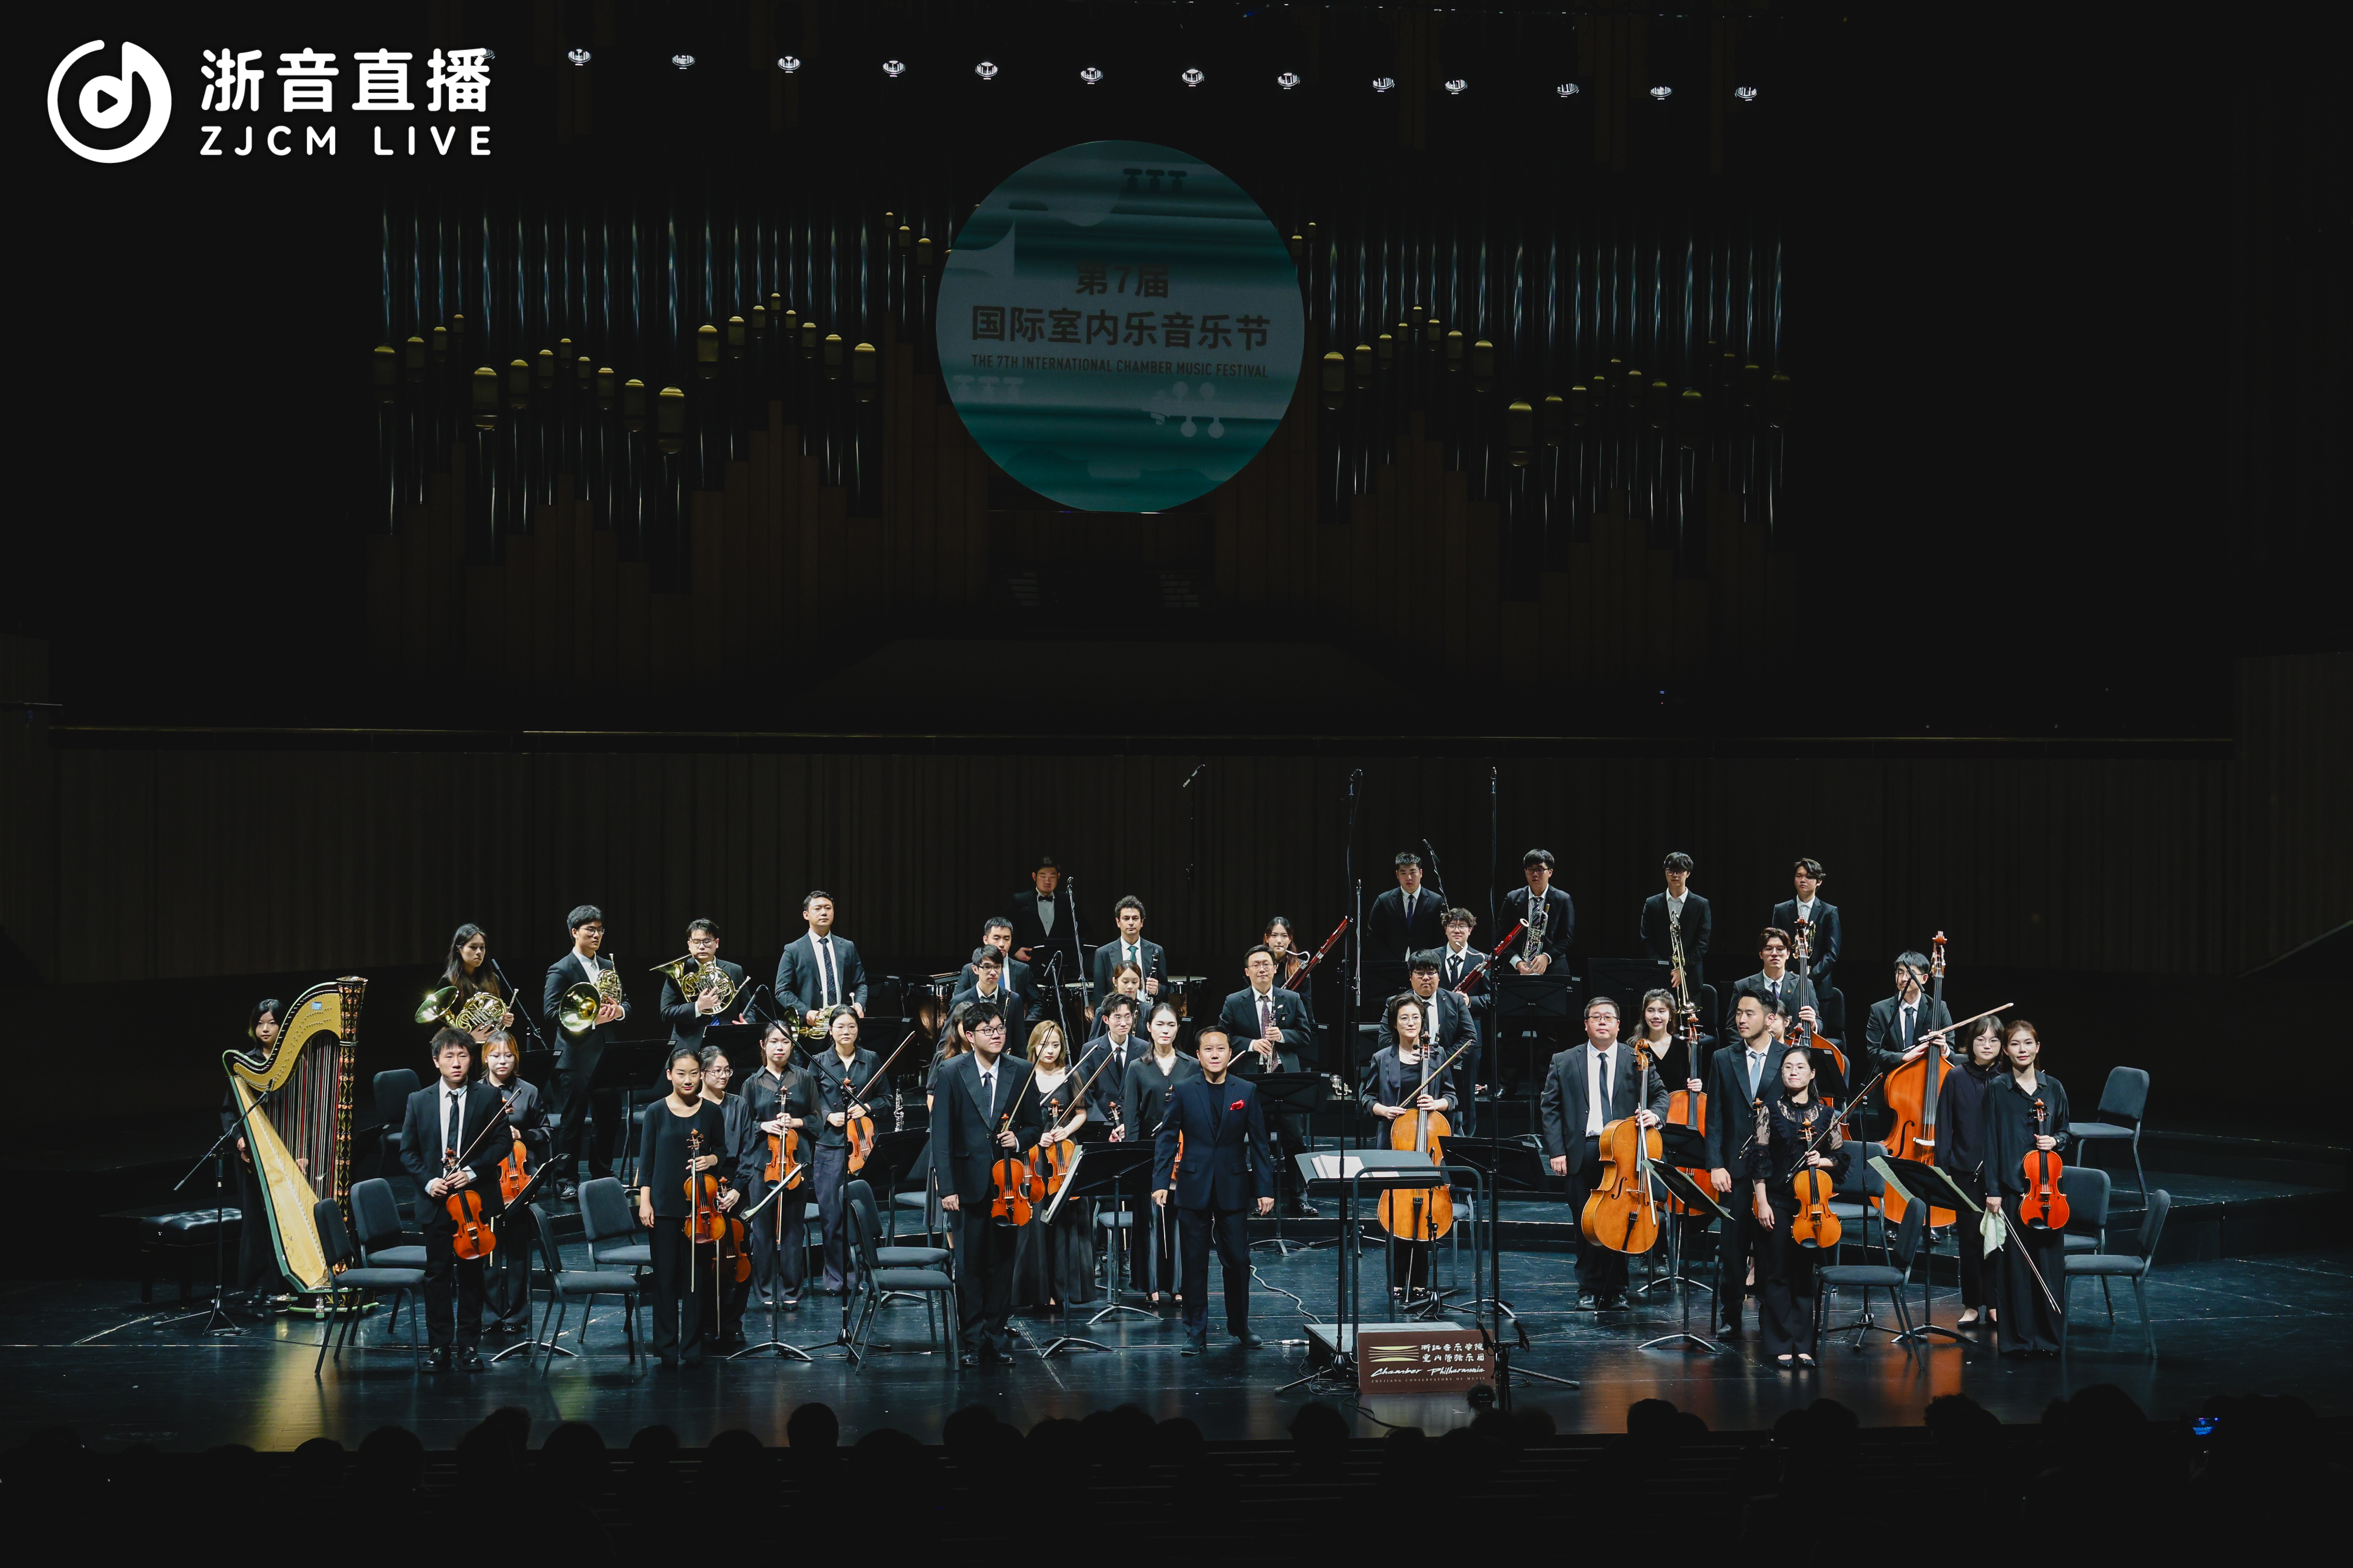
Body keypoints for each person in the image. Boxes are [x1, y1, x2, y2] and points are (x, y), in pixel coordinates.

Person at [928, 1003, 1044, 1366]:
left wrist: (1020, 1140)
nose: (997, 1035)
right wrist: (947, 1188)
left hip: (1007, 1188)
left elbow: (1035, 1125)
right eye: (988, 1030)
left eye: (1000, 1029)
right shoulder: (951, 1072)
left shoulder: (1021, 1070)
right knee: (970, 1266)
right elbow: (941, 1136)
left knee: (1001, 1266)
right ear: (970, 1035)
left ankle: (996, 1338)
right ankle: (973, 1341)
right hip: (966, 1187)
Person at [1153, 1027, 1277, 1354]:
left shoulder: (1246, 1090)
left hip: (1233, 1186)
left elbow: (1260, 1143)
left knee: (1237, 1260)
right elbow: (1167, 1139)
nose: (1215, 1054)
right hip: (1193, 1186)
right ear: (1198, 1055)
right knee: (1194, 1262)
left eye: (1220, 1048)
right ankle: (1196, 1331)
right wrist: (1161, 1182)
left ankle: (1240, 1326)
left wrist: (1264, 1188)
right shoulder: (1183, 1090)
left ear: (1229, 1053)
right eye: (1208, 1049)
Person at [1539, 997, 1667, 1309]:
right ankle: (1588, 1289)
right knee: (1586, 1223)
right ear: (1586, 1025)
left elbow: (1661, 1095)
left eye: (1608, 1017)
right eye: (1596, 1017)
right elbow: (1550, 1108)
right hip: (1581, 1151)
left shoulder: (1636, 1058)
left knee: (1620, 1220)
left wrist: (1655, 1115)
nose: (1602, 1022)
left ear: (1619, 1025)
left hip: (1623, 1151)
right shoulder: (1564, 1060)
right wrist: (1556, 1151)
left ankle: (1616, 1289)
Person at [399, 1028, 509, 1372]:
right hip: (435, 1201)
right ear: (436, 1061)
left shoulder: (488, 1096)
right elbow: (408, 1152)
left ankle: (469, 1346)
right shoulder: (419, 1100)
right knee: (437, 1274)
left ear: (472, 1059)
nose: (457, 1062)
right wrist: (429, 1181)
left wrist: (472, 1172)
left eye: (463, 1055)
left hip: (473, 1201)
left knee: (472, 1274)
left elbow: (502, 1142)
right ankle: (439, 1346)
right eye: (449, 1056)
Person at [634, 1046, 739, 1367]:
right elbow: (646, 1162)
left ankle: (692, 1347)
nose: (688, 1080)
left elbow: (722, 1151)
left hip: (701, 1209)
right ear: (669, 1075)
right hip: (664, 1206)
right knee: (665, 1280)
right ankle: (666, 1349)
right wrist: (645, 1202)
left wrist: (712, 1160)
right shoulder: (655, 1112)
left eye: (694, 1073)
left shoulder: (711, 1112)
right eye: (681, 1074)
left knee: (697, 1280)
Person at [1746, 1045, 1849, 1369]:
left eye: (1800, 1067)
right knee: (1777, 1273)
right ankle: (1780, 1343)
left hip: (1812, 1206)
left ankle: (1803, 1345)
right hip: (1777, 1202)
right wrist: (1762, 1202)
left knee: (1805, 1274)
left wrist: (1823, 1161)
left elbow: (1841, 1159)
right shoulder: (1769, 1112)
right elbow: (1759, 1161)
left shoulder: (1827, 1116)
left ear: (1812, 1073)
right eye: (1788, 1067)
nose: (1793, 1072)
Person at [1361, 992, 1458, 1299]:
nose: (1411, 1022)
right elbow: (1366, 1098)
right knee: (1397, 1212)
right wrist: (1384, 1110)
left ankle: (1420, 1282)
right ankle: (1396, 1280)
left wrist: (1437, 1103)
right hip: (1396, 1146)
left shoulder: (1437, 1057)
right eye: (1404, 1018)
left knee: (1427, 1213)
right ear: (1395, 1023)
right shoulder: (1382, 1058)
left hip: (1429, 1148)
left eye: (1416, 1017)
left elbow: (1453, 1098)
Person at [1985, 1019, 2071, 1357]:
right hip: (2010, 1190)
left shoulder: (2054, 1089)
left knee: (2048, 1267)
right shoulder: (1998, 1088)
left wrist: (2056, 1140)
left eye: (2028, 1043)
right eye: (2015, 1044)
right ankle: (2018, 1340)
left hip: (2046, 1192)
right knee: (2015, 1271)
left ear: (2037, 1047)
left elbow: (2065, 1130)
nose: (2023, 1050)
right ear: (2006, 1051)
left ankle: (2049, 1339)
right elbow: (1991, 1141)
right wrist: (1992, 1189)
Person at [1704, 993, 1782, 1337]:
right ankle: (1731, 1315)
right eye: (1738, 1013)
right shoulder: (1723, 1058)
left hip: (1775, 1172)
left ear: (1769, 1019)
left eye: (1749, 1013)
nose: (1741, 1020)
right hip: (1733, 1170)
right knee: (1733, 1248)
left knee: (1771, 1248)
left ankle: (1769, 1315)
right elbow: (1715, 1117)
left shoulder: (1787, 1058)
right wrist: (1715, 1165)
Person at [1217, 945, 1315, 1215]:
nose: (1262, 969)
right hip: (1249, 1080)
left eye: (1266, 964)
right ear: (1247, 972)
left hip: (1285, 1078)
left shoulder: (1291, 998)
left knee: (1295, 1139)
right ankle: (1246, 1195)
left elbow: (1306, 1035)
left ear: (1275, 968)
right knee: (1247, 1139)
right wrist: (1251, 1044)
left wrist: (1282, 1036)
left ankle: (1299, 1196)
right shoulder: (1234, 1001)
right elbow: (1223, 1039)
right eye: (1256, 965)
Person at [541, 905, 629, 1193]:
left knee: (609, 1119)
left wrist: (618, 1012)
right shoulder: (561, 968)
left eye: (600, 930)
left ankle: (602, 1174)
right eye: (590, 930)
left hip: (606, 1055)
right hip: (575, 1057)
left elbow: (625, 1002)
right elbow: (551, 1012)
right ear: (574, 932)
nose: (597, 935)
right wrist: (592, 1019)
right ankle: (566, 1180)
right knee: (573, 1121)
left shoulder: (608, 965)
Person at [1011, 1023, 1095, 1313]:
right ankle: (1039, 1290)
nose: (1050, 1050)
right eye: (1044, 1044)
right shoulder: (1023, 1076)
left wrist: (1065, 1130)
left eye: (1056, 1045)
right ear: (1034, 1045)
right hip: (1034, 1156)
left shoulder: (1072, 1074)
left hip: (1064, 1154)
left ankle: (1064, 1289)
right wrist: (1037, 1135)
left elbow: (1082, 1113)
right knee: (1035, 1220)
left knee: (1065, 1217)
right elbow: (1016, 1117)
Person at [1121, 1001, 1200, 1305]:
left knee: (1181, 1219)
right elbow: (1131, 1118)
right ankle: (1151, 1284)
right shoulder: (1137, 1067)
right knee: (1150, 1219)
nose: (1165, 1030)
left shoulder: (1191, 1065)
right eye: (1160, 1025)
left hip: (1184, 1151)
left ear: (1178, 1029)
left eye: (1171, 1025)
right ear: (1149, 1028)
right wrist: (1133, 1157)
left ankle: (1179, 1285)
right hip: (1149, 1151)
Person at [1935, 1015, 2007, 1329]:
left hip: (2001, 1174)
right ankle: (1971, 1305)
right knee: (1969, 1241)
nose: (1987, 1045)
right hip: (1964, 1171)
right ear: (1970, 1043)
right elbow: (1944, 1124)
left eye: (1994, 1040)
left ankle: (1995, 1304)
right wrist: (1943, 1169)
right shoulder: (1956, 1076)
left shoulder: (2007, 1078)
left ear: (2002, 1045)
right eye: (1981, 1040)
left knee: (1997, 1241)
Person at [741, 1018, 818, 1308]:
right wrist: (764, 1126)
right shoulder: (752, 1083)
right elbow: (743, 1126)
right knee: (762, 1231)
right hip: (762, 1164)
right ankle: (763, 1291)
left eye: (786, 1041)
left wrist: (796, 1122)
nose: (780, 1047)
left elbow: (817, 1121)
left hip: (795, 1164)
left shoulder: (804, 1078)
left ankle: (791, 1291)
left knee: (793, 1229)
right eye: (774, 1041)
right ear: (763, 1045)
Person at [220, 997, 289, 1304]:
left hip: (288, 1151)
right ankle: (260, 1285)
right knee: (256, 1219)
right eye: (260, 1023)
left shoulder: (294, 1062)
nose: (265, 1029)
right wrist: (239, 1139)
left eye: (272, 1023)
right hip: (251, 1154)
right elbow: (228, 1111)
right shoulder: (243, 1063)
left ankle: (288, 1278)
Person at [480, 1031, 549, 1333]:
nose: (502, 1061)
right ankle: (490, 1315)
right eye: (496, 1056)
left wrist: (522, 1134)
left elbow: (546, 1131)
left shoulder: (528, 1092)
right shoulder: (475, 1092)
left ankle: (516, 1316)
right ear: (485, 1058)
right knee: (488, 1250)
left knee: (519, 1250)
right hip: (486, 1179)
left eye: (508, 1055)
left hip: (519, 1181)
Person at [808, 1005, 878, 1295]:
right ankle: (839, 1278)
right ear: (830, 1031)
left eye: (851, 1026)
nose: (846, 1031)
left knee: (862, 1214)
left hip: (863, 1147)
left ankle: (867, 1274)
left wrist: (867, 1106)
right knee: (832, 1215)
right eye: (840, 1026)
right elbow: (809, 1103)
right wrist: (828, 1115)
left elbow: (886, 1098)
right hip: (830, 1146)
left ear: (858, 1029)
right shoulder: (819, 1062)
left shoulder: (870, 1059)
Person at [699, 1044, 756, 1341]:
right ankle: (707, 1321)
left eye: (727, 1071)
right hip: (703, 1189)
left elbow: (749, 1150)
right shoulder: (694, 1106)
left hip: (735, 1184)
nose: (723, 1076)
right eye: (716, 1071)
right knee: (706, 1256)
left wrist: (737, 1189)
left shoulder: (739, 1104)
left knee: (739, 1255)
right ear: (702, 1073)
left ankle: (733, 1322)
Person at [775, 890, 868, 1025]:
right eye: (818, 909)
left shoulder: (848, 947)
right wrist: (806, 1012)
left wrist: (859, 1005)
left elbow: (860, 984)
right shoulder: (793, 950)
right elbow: (782, 990)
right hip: (810, 1025)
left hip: (843, 1024)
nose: (824, 913)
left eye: (828, 908)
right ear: (806, 915)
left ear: (833, 912)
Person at [660, 918, 750, 1049]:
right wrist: (698, 1007)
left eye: (707, 941)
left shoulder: (735, 970)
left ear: (716, 943)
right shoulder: (679, 972)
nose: (702, 946)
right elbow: (666, 1012)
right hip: (690, 1046)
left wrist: (747, 1022)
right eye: (696, 942)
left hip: (727, 1041)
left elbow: (748, 1006)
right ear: (689, 945)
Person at [1367, 852, 1449, 994]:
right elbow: (1373, 936)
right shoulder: (1384, 900)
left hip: (1426, 970)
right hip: (1390, 970)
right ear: (1397, 875)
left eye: (1413, 872)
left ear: (1421, 873)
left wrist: (1428, 961)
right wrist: (1391, 962)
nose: (1409, 878)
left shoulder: (1437, 901)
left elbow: (1442, 937)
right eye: (1403, 873)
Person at [1864, 952, 1955, 1075]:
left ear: (1924, 979)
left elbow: (1951, 1054)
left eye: (1910, 973)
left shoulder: (1939, 1008)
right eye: (1900, 973)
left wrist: (1944, 1049)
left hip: (1926, 1075)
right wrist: (1903, 1057)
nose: (1904, 979)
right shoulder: (1879, 1010)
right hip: (1890, 1076)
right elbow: (1873, 1052)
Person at [1730, 928, 1819, 1043]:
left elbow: (1819, 1021)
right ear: (1761, 954)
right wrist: (1749, 1050)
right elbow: (1732, 1028)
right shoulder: (1743, 986)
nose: (1775, 954)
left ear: (1788, 954)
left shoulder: (1804, 984)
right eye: (1769, 949)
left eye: (1780, 949)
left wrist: (1813, 1024)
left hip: (1793, 1048)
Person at [1639, 853, 1712, 992]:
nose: (1675, 875)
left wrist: (1682, 969)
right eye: (1671, 871)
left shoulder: (1701, 905)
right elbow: (1646, 940)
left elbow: (1702, 943)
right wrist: (1664, 967)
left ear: (1688, 873)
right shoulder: (1652, 904)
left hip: (1690, 976)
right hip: (1660, 974)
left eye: (1680, 871)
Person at [1770, 859, 1841, 993]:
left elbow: (1831, 953)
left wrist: (1809, 979)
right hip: (1787, 983)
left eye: (1809, 877)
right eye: (1799, 876)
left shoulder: (1829, 912)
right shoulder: (1781, 910)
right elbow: (1777, 946)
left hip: (1819, 986)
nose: (1803, 880)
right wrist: (1789, 976)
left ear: (1819, 882)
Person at [1503, 848, 1577, 974]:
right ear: (1525, 872)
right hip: (1517, 970)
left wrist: (1547, 957)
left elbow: (1567, 939)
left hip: (1552, 970)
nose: (1535, 874)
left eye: (1540, 869)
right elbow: (1502, 937)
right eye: (1530, 869)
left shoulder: (1563, 899)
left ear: (1550, 872)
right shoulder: (1512, 898)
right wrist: (1517, 962)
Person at [1076, 992, 1145, 1126]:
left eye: (1128, 1017)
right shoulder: (1091, 1050)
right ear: (1106, 1019)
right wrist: (1105, 1126)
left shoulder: (1144, 1048)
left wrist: (1132, 1123)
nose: (1124, 1023)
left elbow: (1148, 1091)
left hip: (1135, 1125)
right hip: (1102, 1125)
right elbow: (1086, 1094)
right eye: (1117, 1017)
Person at [957, 917, 1039, 1025]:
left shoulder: (1023, 970)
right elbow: (958, 1005)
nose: (1002, 944)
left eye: (1007, 939)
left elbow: (1037, 1003)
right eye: (996, 938)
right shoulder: (970, 970)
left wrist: (1025, 1025)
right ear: (986, 940)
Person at [441, 924, 516, 1039]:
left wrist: (503, 1020)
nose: (479, 952)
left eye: (482, 948)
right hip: (460, 1046)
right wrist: (468, 1038)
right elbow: (435, 1029)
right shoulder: (448, 982)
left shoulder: (493, 979)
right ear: (459, 949)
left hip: (489, 1044)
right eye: (473, 947)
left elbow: (494, 1018)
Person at [1007, 854, 1079, 973]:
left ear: (1058, 877)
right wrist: (1015, 950)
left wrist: (1073, 954)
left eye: (1052, 877)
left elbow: (1084, 931)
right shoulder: (1019, 901)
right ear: (1034, 876)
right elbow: (1004, 929)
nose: (1047, 881)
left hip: (1061, 967)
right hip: (1027, 965)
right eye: (1043, 876)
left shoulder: (1068, 900)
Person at [1089, 895, 1166, 1005]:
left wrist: (1157, 989)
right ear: (1118, 922)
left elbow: (1166, 990)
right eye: (1126, 919)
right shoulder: (1103, 954)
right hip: (1117, 1013)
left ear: (1142, 922)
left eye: (1135, 918)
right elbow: (1099, 996)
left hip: (1148, 1012)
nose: (1131, 923)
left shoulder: (1156, 950)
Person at [949, 946, 1026, 1036]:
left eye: (997, 967)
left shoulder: (1014, 999)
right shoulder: (960, 1001)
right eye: (987, 967)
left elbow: (1020, 1040)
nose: (993, 972)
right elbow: (947, 1039)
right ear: (975, 969)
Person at [1264, 916, 1317, 1019]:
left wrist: (1310, 1027)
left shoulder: (1300, 967)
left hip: (1291, 1024)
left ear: (1290, 939)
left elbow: (1306, 1004)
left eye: (1284, 936)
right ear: (1267, 938)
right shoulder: (1257, 965)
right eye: (1274, 935)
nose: (1279, 941)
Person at [1083, 961, 1148, 1042]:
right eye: (1125, 982)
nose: (1130, 986)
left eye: (1135, 982)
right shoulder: (1102, 1011)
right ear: (1115, 981)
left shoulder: (1148, 1011)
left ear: (1140, 982)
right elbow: (1094, 1044)